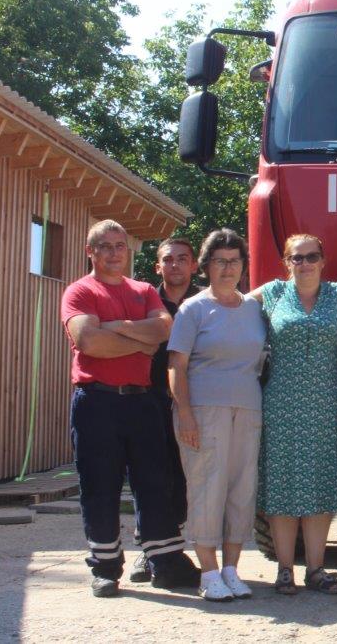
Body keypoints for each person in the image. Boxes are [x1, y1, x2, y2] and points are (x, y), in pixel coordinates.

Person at [60, 219, 198, 598]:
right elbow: (89, 341)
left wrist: (115, 327)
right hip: (97, 401)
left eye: (120, 246)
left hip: (143, 400)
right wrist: (138, 337)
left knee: (155, 483)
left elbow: (162, 333)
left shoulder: (142, 291)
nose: (114, 252)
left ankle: (165, 562)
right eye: (105, 246)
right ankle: (105, 568)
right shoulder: (79, 291)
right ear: (91, 251)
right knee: (100, 486)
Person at [249, 234, 337, 595]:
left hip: (325, 402)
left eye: (312, 257)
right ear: (286, 262)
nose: (305, 263)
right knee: (282, 483)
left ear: (323, 261)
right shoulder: (272, 294)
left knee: (320, 483)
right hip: (279, 402)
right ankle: (284, 569)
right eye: (297, 258)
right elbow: (228, 305)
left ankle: (316, 569)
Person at [168, 229, 267, 602]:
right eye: (220, 261)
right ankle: (208, 572)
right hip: (204, 411)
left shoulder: (254, 308)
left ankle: (231, 569)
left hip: (248, 409)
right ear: (207, 265)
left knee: (241, 490)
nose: (228, 269)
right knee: (206, 489)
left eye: (235, 261)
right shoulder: (193, 309)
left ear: (244, 266)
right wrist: (186, 415)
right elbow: (176, 366)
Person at [131, 237, 203, 583]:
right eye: (168, 260)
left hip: (193, 403)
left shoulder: (206, 303)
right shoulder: (142, 302)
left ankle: (169, 548)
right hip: (148, 401)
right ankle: (147, 552)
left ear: (194, 265)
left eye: (182, 259)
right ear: (158, 266)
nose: (175, 265)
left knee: (183, 477)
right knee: (149, 478)